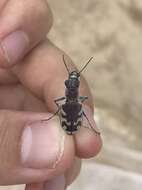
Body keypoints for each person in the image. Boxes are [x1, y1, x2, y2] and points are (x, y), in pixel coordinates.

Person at [0, 0, 102, 190]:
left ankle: (65, 124)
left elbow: (64, 98)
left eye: (73, 82)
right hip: (72, 109)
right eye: (71, 82)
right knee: (79, 108)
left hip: (70, 109)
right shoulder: (74, 94)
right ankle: (75, 126)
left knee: (70, 107)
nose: (72, 82)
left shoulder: (68, 93)